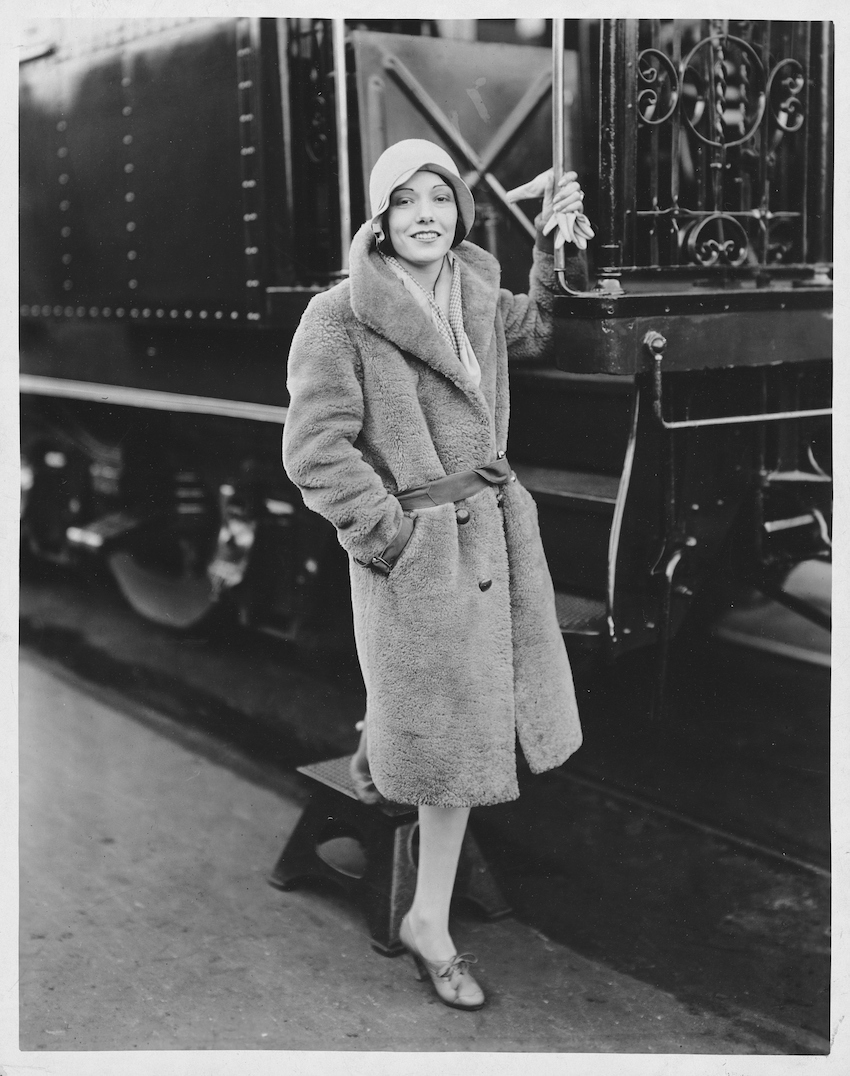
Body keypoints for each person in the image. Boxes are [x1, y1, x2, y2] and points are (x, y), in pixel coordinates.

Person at [282, 139, 587, 1011]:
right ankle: (429, 922)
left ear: (459, 211)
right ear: (379, 216)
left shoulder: (476, 296)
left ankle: (388, 760)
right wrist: (390, 539)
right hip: (420, 554)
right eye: (407, 200)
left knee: (454, 721)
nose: (427, 215)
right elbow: (315, 450)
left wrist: (557, 241)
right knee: (453, 744)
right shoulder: (339, 316)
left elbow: (544, 319)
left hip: (490, 538)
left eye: (442, 199)